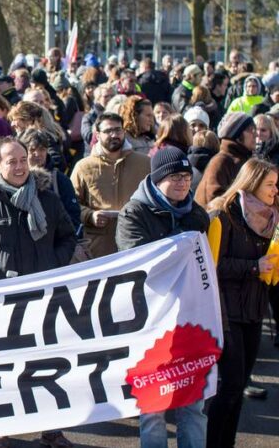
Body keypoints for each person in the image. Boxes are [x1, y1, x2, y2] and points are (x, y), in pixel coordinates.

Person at [115, 147, 210, 448]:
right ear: (156, 180)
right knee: (154, 407)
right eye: (174, 177)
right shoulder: (134, 213)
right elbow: (137, 264)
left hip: (189, 320)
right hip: (150, 322)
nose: (183, 183)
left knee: (193, 404)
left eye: (186, 177)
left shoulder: (197, 215)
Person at [205, 158, 278, 448]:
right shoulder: (223, 215)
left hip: (254, 308)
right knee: (231, 384)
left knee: (239, 386)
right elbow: (213, 266)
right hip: (226, 309)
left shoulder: (271, 216)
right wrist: (253, 267)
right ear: (253, 183)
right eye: (270, 184)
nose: (275, 190)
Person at [0, 135, 76, 280]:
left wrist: (53, 263)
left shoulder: (49, 199)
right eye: (12, 162)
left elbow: (68, 237)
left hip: (45, 286)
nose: (19, 167)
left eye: (23, 160)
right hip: (3, 290)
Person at [70, 113, 151, 258]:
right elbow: (71, 204)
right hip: (98, 249)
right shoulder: (83, 167)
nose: (114, 135)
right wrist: (90, 215)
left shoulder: (145, 163)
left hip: (137, 244)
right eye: (108, 131)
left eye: (118, 130)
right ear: (98, 134)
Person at [20, 128, 82, 231]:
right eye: (32, 149)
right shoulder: (15, 178)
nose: (38, 154)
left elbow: (73, 216)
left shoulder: (59, 179)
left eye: (42, 149)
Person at [196, 112, 256, 207]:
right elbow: (214, 199)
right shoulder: (221, 161)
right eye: (250, 130)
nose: (255, 134)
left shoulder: (245, 160)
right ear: (238, 135)